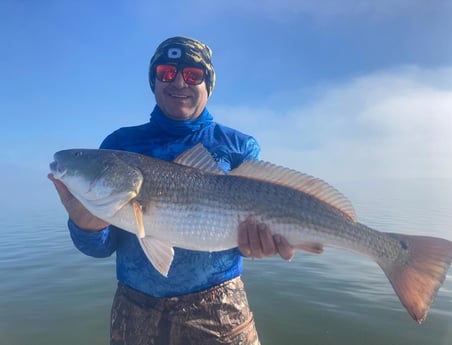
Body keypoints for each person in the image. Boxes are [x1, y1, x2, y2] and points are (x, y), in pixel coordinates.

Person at [49, 36, 294, 345]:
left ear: (208, 84)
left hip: (220, 311)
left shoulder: (238, 147)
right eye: (166, 72)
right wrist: (86, 227)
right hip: (134, 310)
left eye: (193, 74)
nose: (179, 81)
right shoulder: (119, 145)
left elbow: (250, 232)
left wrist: (258, 245)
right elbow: (101, 247)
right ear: (154, 81)